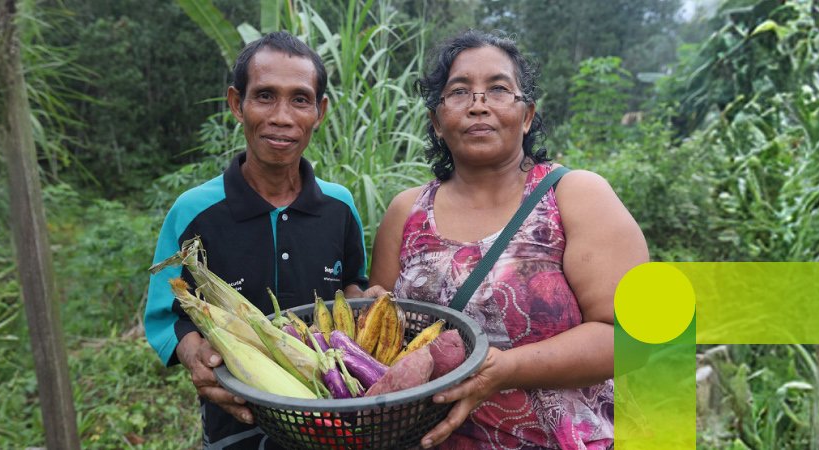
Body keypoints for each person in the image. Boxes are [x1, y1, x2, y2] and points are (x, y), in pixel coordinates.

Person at [368, 31, 647, 450]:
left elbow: (629, 338)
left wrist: (505, 368)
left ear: (528, 115)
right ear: (436, 121)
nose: (479, 104)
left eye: (498, 89)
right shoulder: (405, 213)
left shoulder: (575, 196)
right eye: (459, 92)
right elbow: (379, 339)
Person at [143, 32, 372, 449]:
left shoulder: (339, 206)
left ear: (319, 111)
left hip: (335, 414)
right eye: (265, 96)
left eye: (300, 99)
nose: (282, 117)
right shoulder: (195, 211)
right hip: (238, 420)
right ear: (237, 104)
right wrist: (197, 356)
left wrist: (367, 304)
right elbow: (167, 316)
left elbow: (352, 284)